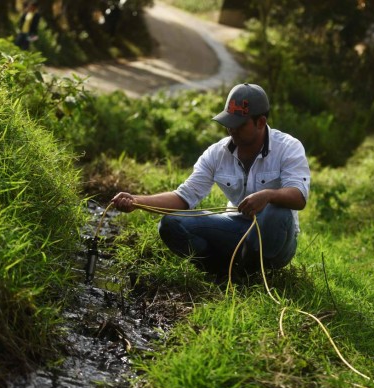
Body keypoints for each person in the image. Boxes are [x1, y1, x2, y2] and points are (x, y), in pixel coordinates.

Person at [111, 83, 311, 279]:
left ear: (260, 122)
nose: (231, 130)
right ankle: (220, 272)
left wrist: (268, 195)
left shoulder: (288, 147)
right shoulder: (217, 153)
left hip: (276, 241)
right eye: (228, 124)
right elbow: (183, 197)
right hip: (234, 229)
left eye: (239, 125)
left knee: (276, 211)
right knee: (170, 223)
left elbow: (299, 196)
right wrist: (136, 201)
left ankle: (248, 276)